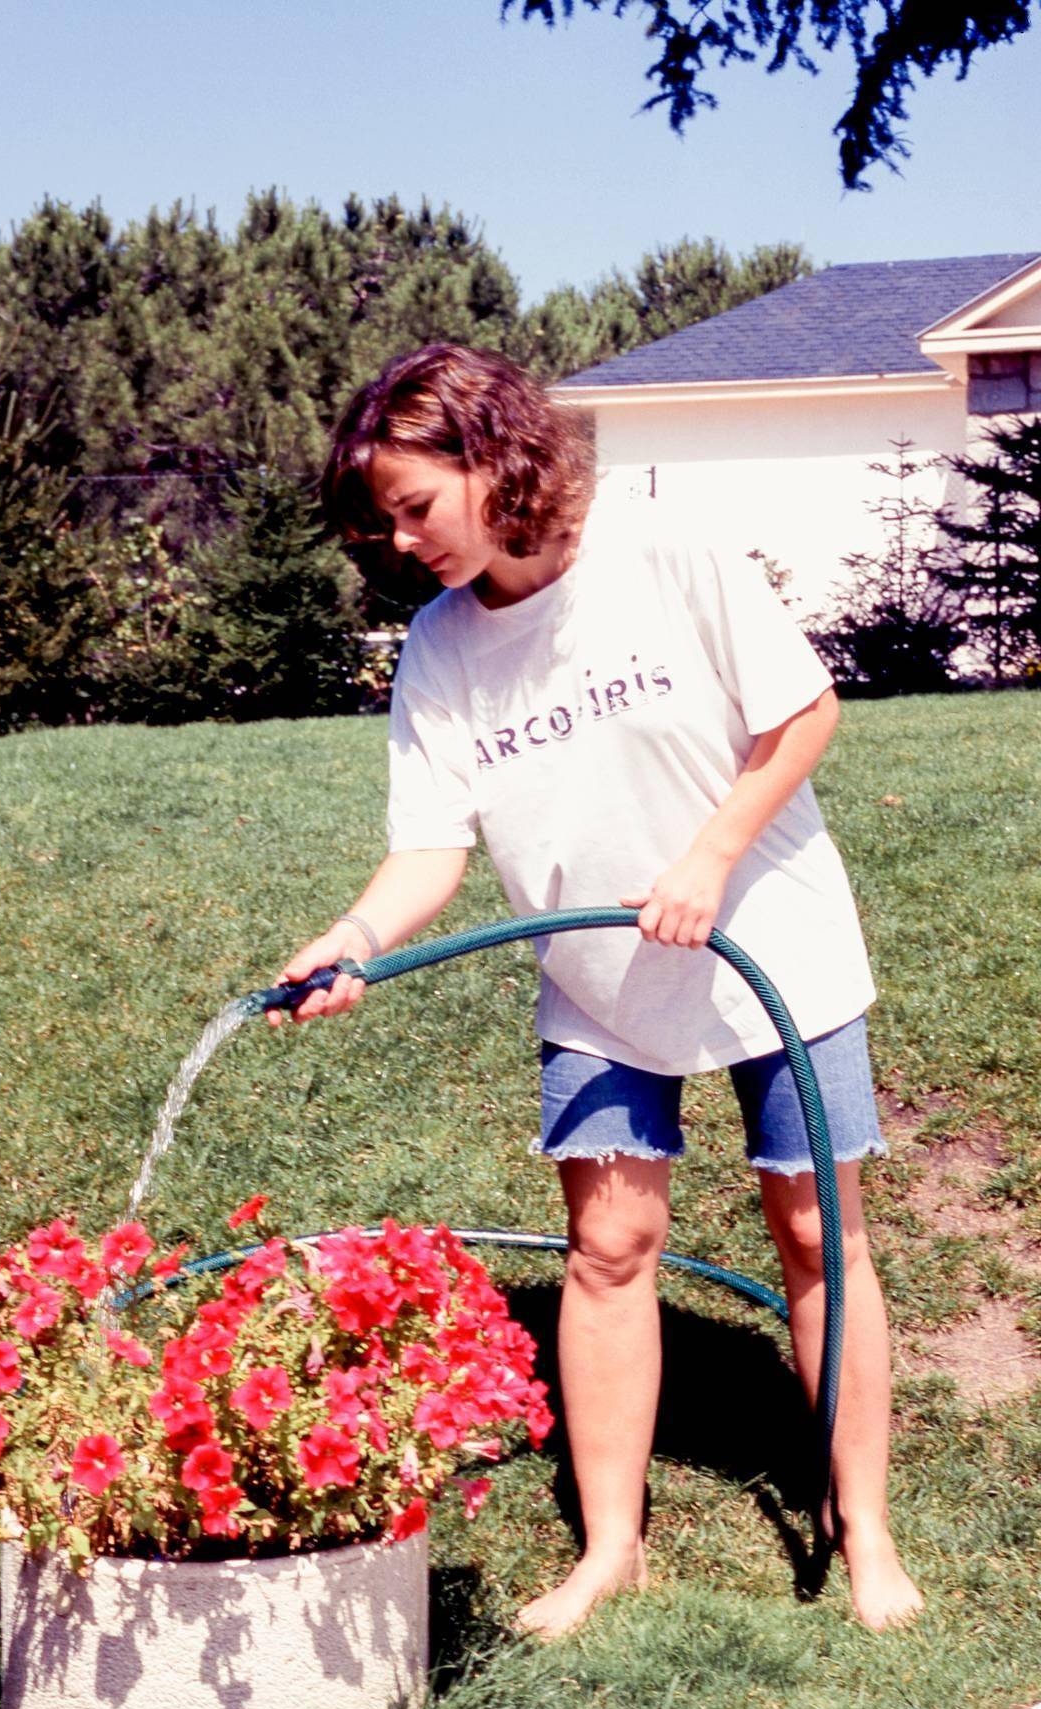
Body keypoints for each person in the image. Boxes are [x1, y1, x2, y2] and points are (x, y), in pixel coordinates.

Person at [267, 343, 923, 1639]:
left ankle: (867, 1532)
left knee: (813, 1240)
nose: (402, 545)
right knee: (610, 1252)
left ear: (490, 457)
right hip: (602, 986)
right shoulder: (444, 650)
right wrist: (347, 937)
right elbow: (429, 852)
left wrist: (710, 858)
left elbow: (802, 714)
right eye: (381, 523)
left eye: (416, 506)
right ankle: (611, 1546)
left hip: (775, 955)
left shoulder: (660, 555)